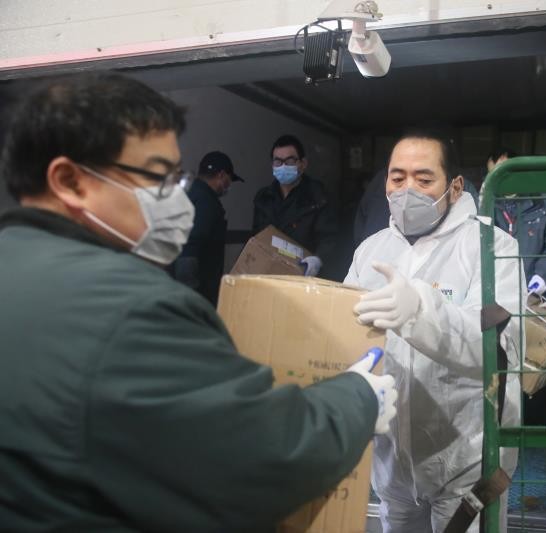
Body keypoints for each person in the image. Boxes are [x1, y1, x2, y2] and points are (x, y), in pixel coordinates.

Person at [0, 72, 397, 531]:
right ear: (70, 181)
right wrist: (357, 397)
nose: (181, 201)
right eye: (159, 179)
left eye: (180, 178)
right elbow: (262, 458)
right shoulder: (132, 309)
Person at [345, 130, 522, 533]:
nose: (407, 190)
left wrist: (422, 312)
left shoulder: (491, 247)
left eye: (423, 179)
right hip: (391, 460)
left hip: (466, 460)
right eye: (397, 177)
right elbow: (346, 335)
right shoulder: (370, 251)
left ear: (455, 187)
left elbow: (499, 347)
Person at [252, 134, 336, 278]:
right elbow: (256, 237)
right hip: (269, 273)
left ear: (303, 164)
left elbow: (329, 238)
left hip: (304, 276)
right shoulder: (263, 198)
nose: (283, 166)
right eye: (278, 161)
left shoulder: (318, 196)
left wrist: (318, 260)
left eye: (290, 161)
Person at [487, 149, 546, 299]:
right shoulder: (487, 205)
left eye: (501, 173)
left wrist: (542, 276)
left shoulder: (544, 202)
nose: (496, 180)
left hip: (540, 295)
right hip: (501, 294)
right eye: (492, 175)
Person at [171, 150, 242, 306]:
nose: (229, 185)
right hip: (195, 292)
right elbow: (190, 249)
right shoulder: (207, 202)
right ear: (221, 175)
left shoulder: (188, 193)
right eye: (229, 180)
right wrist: (192, 300)